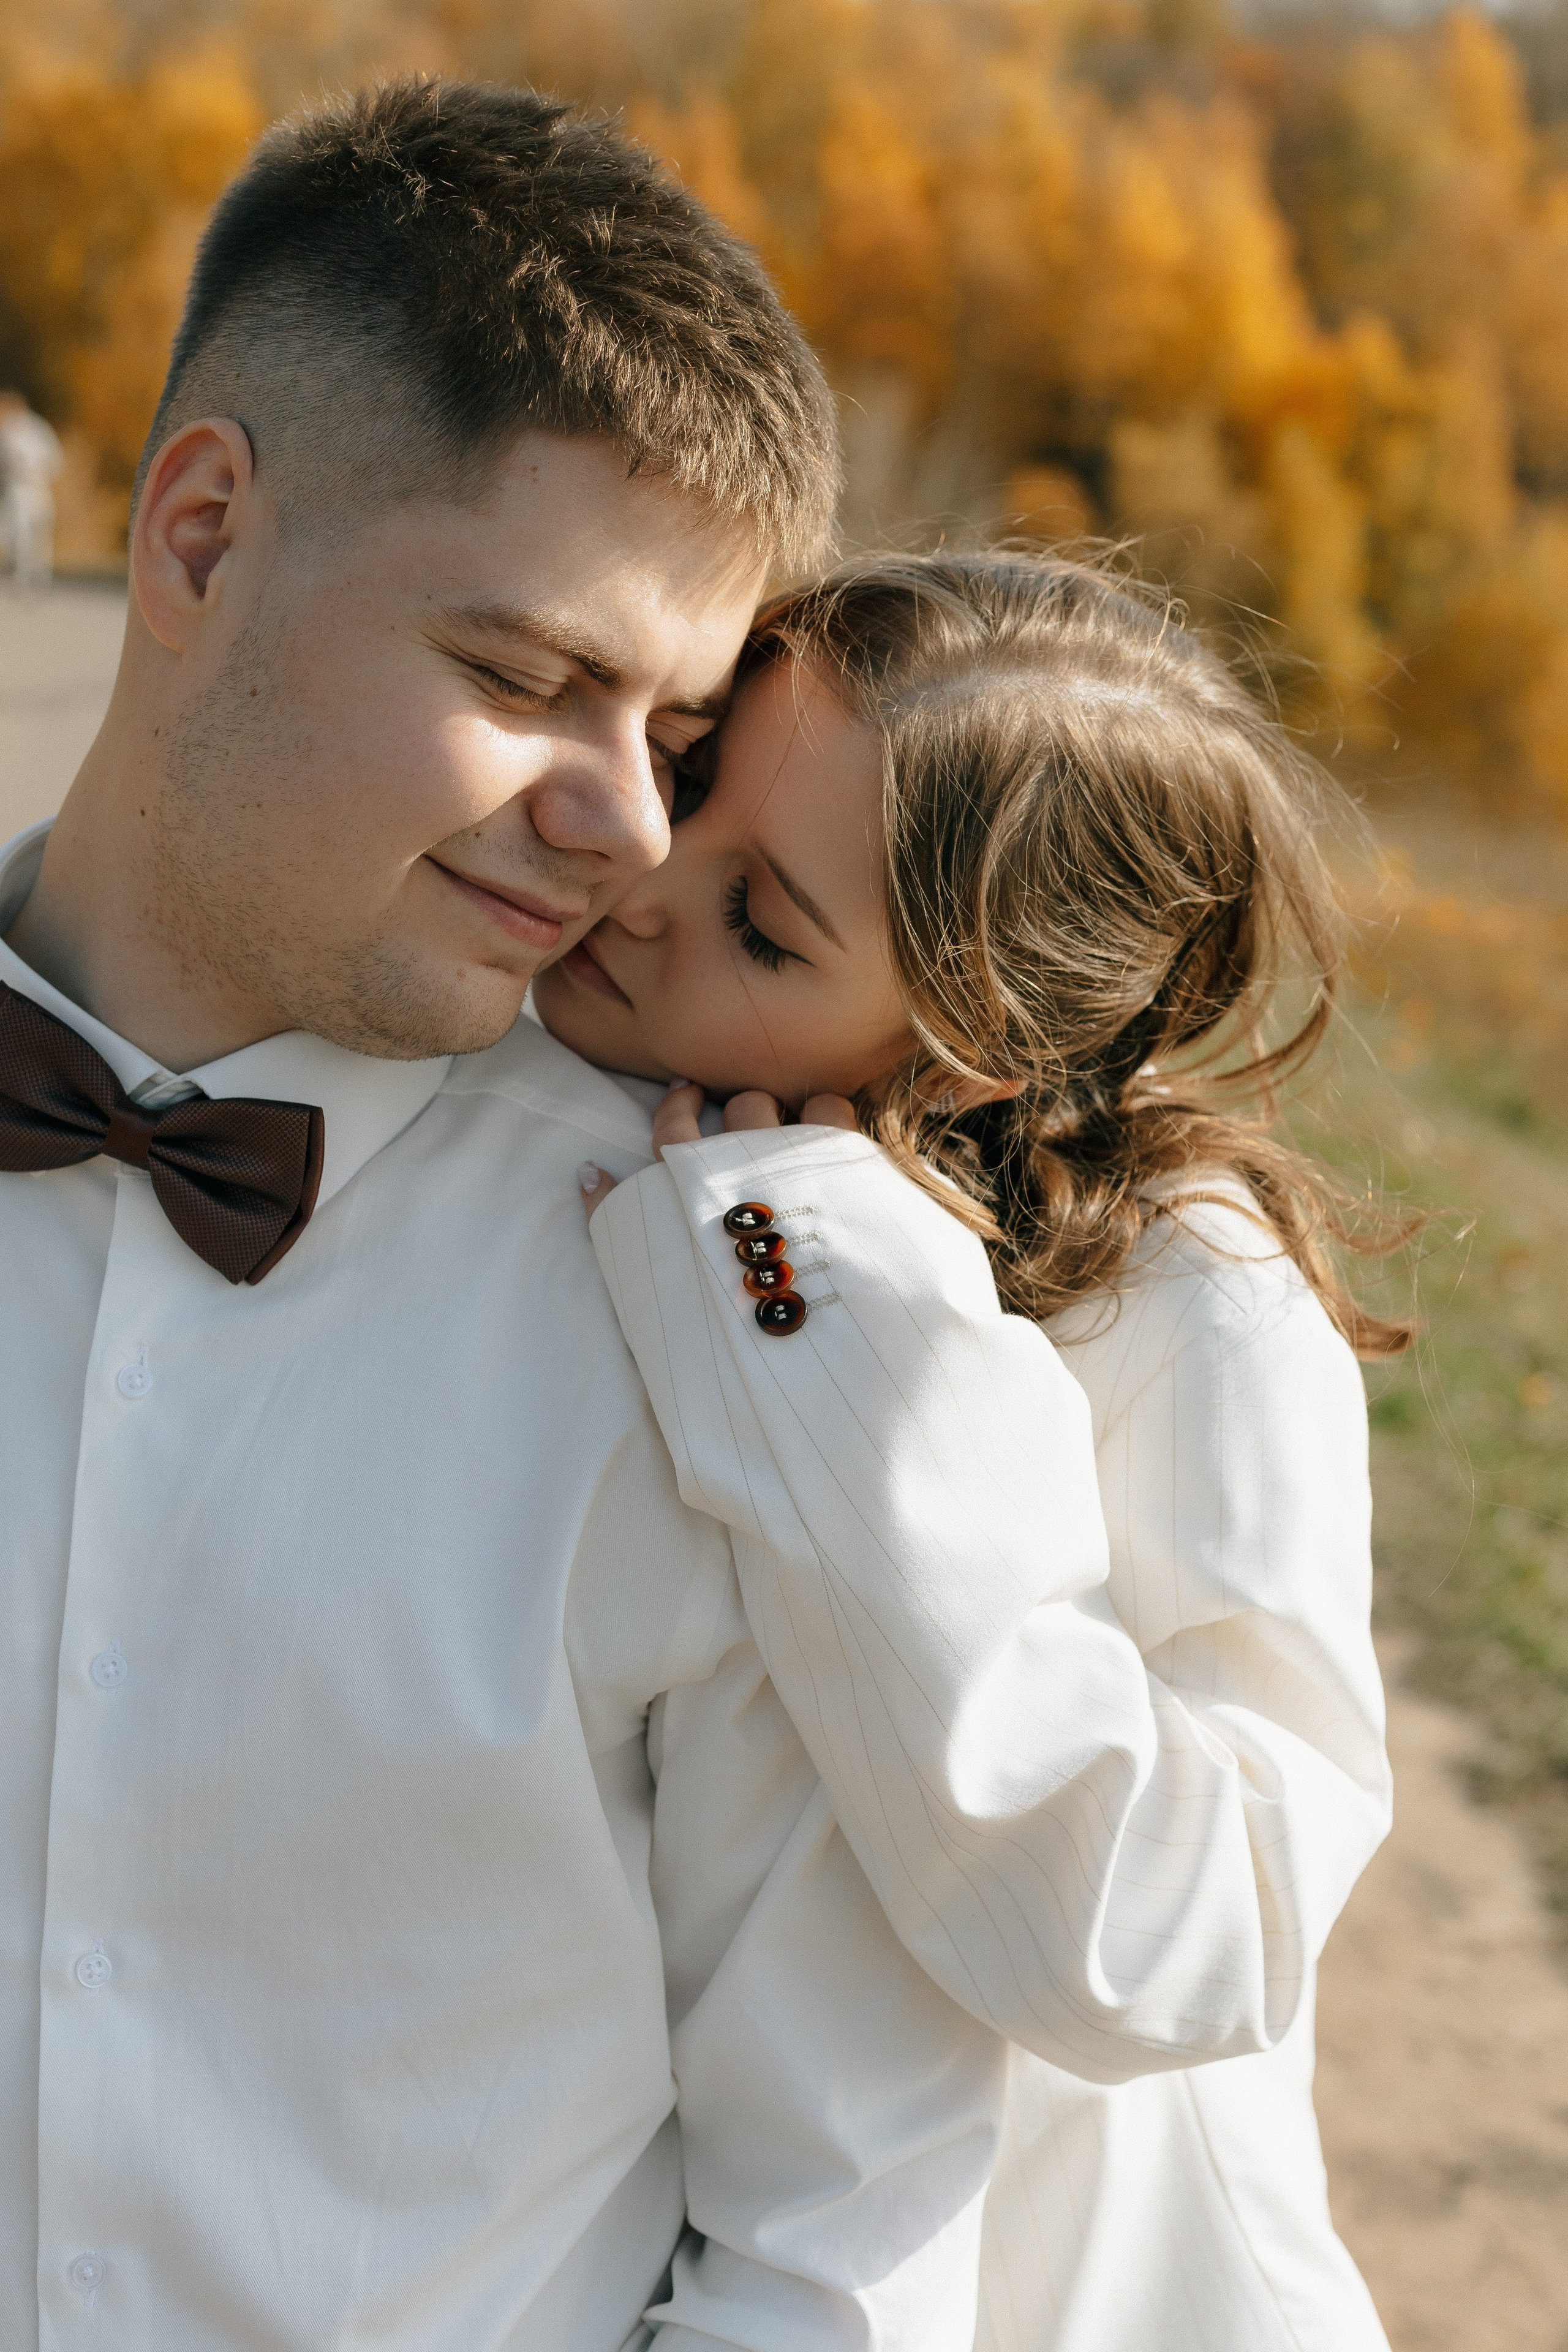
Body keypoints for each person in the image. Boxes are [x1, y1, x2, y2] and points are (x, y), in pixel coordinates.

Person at [0, 87, 1026, 2351]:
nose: (623, 835)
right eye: (524, 679)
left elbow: (837, 2240)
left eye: (667, 732)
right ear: (191, 543)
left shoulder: (727, 1304)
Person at [543, 550, 1401, 2352]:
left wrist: (805, 1306)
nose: (636, 885)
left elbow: (1207, 1929)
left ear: (977, 1045)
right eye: (690, 785)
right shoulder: (603, 1093)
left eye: (762, 923)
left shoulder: (1189, 1296)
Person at [0, 390, 65, 590]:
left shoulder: (38, 429)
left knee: (40, 533)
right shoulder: (9, 431)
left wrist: (37, 472)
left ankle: (40, 578)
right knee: (19, 535)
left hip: (38, 488)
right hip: (17, 490)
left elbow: (56, 460)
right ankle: (22, 579)